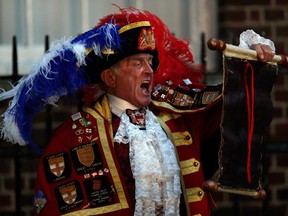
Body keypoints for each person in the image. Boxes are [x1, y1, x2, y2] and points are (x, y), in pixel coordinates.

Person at [0, 7, 275, 216]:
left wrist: (249, 59)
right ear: (109, 77)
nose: (149, 69)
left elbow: (234, 105)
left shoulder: (176, 115)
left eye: (149, 62)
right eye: (136, 62)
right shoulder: (74, 134)